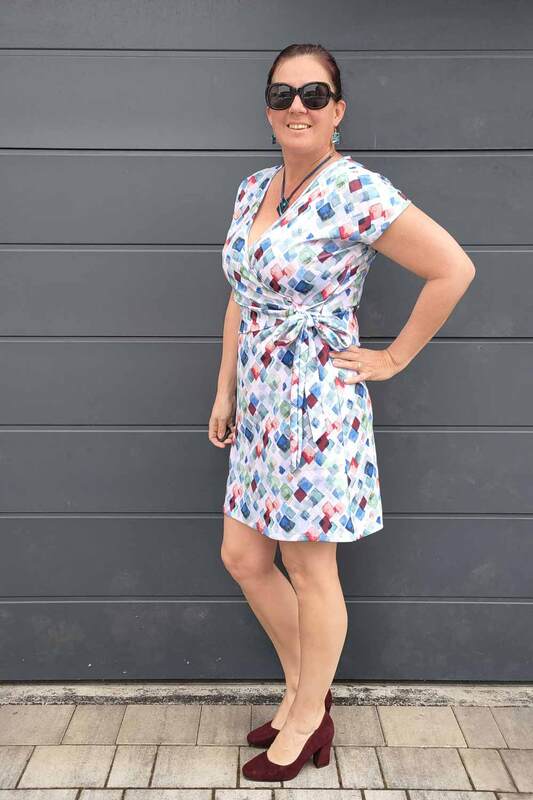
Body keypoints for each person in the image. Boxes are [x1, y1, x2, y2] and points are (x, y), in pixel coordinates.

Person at [208, 43, 476, 782]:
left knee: (307, 564)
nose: (297, 105)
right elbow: (241, 294)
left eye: (314, 94)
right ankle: (308, 692)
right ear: (268, 108)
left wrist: (392, 358)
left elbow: (452, 269)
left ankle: (304, 716)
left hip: (314, 404)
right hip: (259, 401)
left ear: (338, 110)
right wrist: (225, 388)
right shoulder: (253, 188)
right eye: (283, 93)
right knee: (244, 557)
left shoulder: (357, 190)